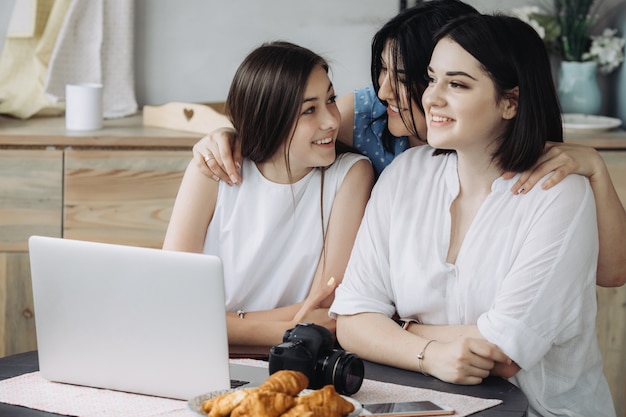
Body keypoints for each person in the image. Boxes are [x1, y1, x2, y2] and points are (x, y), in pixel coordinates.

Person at [190, 0, 626, 288]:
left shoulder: (505, 147)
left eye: (400, 78)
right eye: (380, 71)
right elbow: (282, 122)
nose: (382, 90)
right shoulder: (365, 114)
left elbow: (611, 274)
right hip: (383, 300)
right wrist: (229, 137)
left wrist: (598, 173)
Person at [330, 13, 615, 417]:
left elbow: (502, 354)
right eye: (431, 79)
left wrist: (399, 329)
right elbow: (353, 322)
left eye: (458, 84)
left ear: (510, 102)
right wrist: (429, 354)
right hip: (421, 406)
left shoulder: (558, 193)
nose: (432, 97)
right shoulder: (404, 175)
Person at [162, 41, 374, 346]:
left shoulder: (351, 175)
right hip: (193, 350)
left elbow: (327, 314)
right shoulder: (212, 170)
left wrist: (213, 324)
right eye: (309, 110)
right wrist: (291, 326)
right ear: (270, 117)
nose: (330, 120)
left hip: (286, 360)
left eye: (330, 99)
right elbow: (169, 299)